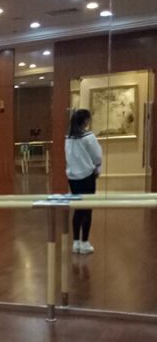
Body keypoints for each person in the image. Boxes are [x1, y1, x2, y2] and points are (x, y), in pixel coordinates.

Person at [65, 108, 102, 254]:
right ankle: (85, 242)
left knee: (78, 209)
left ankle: (76, 242)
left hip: (73, 178)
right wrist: (97, 167)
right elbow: (97, 156)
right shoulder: (88, 137)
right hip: (87, 176)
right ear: (85, 121)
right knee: (87, 209)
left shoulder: (68, 138)